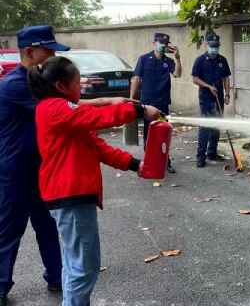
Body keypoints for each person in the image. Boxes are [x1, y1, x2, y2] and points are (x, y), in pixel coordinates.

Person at [28, 55, 160, 306]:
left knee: (74, 265)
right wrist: (140, 110)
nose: (81, 89)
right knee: (84, 268)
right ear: (61, 86)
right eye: (77, 83)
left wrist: (135, 165)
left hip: (69, 197)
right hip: (70, 196)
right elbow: (98, 117)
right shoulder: (56, 108)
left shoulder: (62, 112)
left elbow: (97, 147)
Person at [0, 25, 66, 306]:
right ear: (30, 51)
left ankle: (57, 277)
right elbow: (59, 112)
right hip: (14, 169)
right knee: (9, 229)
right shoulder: (15, 83)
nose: (52, 55)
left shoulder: (37, 82)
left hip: (40, 167)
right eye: (47, 50)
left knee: (47, 224)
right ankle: (1, 286)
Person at [130, 32, 182, 173]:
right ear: (154, 43)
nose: (162, 45)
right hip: (147, 103)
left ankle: (166, 161)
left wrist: (177, 58)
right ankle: (149, 161)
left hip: (163, 103)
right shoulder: (144, 59)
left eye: (165, 43)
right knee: (149, 133)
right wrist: (131, 99)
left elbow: (177, 74)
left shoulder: (169, 61)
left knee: (164, 132)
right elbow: (136, 79)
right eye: (160, 43)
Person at [191, 34, 231, 167]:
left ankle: (212, 153)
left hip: (219, 97)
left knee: (217, 125)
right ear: (206, 46)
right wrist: (208, 86)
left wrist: (227, 95)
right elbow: (195, 79)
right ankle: (200, 156)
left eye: (216, 46)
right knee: (205, 127)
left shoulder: (222, 60)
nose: (214, 48)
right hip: (206, 98)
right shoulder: (200, 60)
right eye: (211, 46)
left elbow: (226, 78)